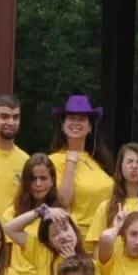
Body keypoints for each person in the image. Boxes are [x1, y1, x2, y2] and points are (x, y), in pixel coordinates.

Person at [48, 94, 115, 241]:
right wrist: (71, 162)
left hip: (104, 238)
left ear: (90, 127)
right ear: (63, 125)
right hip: (76, 239)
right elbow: (63, 202)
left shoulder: (100, 160)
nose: (76, 123)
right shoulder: (53, 161)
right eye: (71, 118)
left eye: (82, 119)